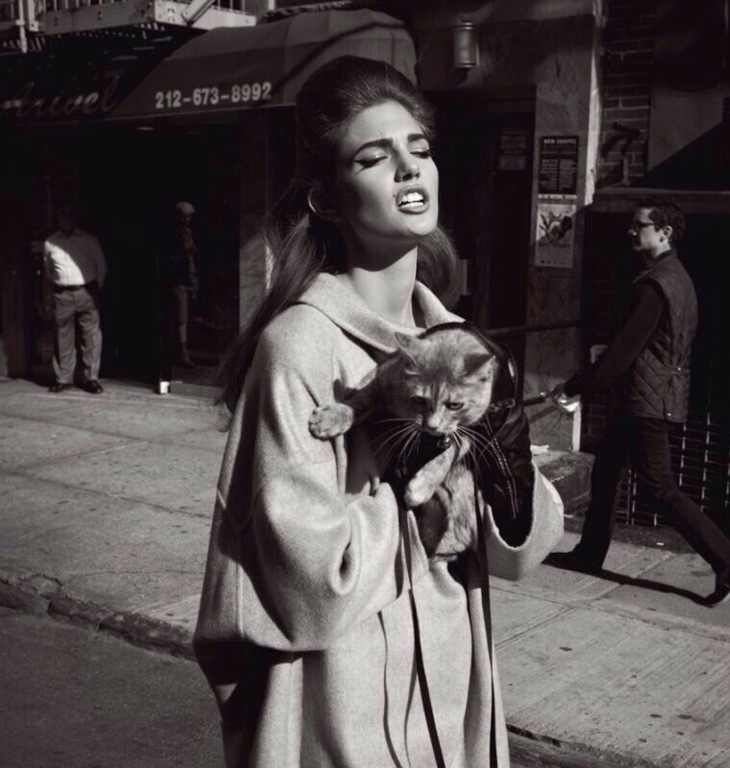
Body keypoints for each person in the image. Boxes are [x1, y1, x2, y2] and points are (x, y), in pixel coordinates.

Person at [193, 56, 563, 768]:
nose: (408, 166)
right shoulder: (300, 346)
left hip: (453, 704)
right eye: (373, 156)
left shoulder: (459, 344)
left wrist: (510, 480)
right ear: (327, 200)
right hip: (341, 716)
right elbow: (311, 586)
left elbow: (515, 558)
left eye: (418, 148)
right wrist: (418, 501)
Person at [548, 198, 730, 606]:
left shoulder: (655, 285)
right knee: (607, 470)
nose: (631, 231)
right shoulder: (677, 277)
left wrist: (575, 386)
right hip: (646, 398)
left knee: (660, 487)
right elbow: (653, 346)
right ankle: (589, 553)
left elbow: (624, 351)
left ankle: (728, 563)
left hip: (647, 403)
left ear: (664, 232)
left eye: (640, 225)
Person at [43, 205, 107, 394]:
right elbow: (48, 270)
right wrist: (58, 287)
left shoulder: (88, 240)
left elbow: (102, 267)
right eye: (62, 215)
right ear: (58, 218)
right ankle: (63, 379)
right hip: (62, 294)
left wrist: (92, 290)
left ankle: (91, 378)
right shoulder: (50, 242)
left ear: (75, 218)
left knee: (91, 336)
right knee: (62, 336)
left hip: (86, 291)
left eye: (70, 215)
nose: (66, 219)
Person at [166, 201, 199, 368]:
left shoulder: (189, 234)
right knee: (181, 317)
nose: (186, 220)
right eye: (183, 217)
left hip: (189, 278)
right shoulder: (174, 236)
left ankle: (183, 349)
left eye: (188, 217)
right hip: (179, 280)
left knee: (187, 316)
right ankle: (182, 351)